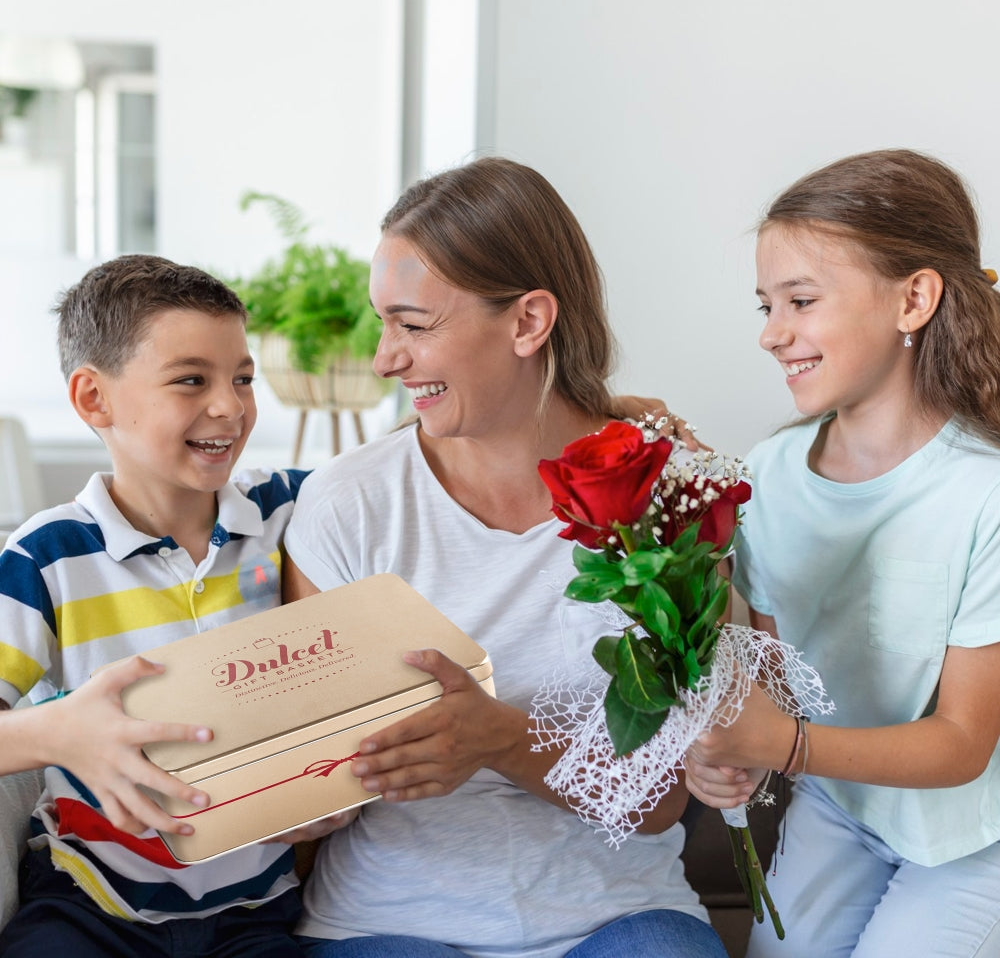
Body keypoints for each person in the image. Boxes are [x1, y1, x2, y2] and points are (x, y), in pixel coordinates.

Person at [282, 157, 728, 958]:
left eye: (414, 326)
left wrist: (500, 739)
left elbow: (661, 802)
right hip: (388, 922)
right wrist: (297, 797)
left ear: (528, 322)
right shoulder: (349, 507)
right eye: (383, 323)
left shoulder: (669, 497)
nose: (385, 359)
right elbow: (306, 768)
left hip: (620, 914)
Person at [684, 150, 1000, 957]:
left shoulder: (985, 493)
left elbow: (964, 744)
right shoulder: (769, 475)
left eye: (800, 300)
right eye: (764, 304)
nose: (770, 333)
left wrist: (780, 746)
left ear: (915, 298)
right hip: (842, 805)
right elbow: (768, 676)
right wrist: (726, 760)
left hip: (975, 836)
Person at [0, 255, 322, 956]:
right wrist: (58, 734)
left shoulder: (292, 509)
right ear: (94, 399)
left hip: (256, 913)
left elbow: (419, 459)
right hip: (89, 906)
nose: (230, 407)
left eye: (243, 378)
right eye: (191, 381)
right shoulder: (47, 556)